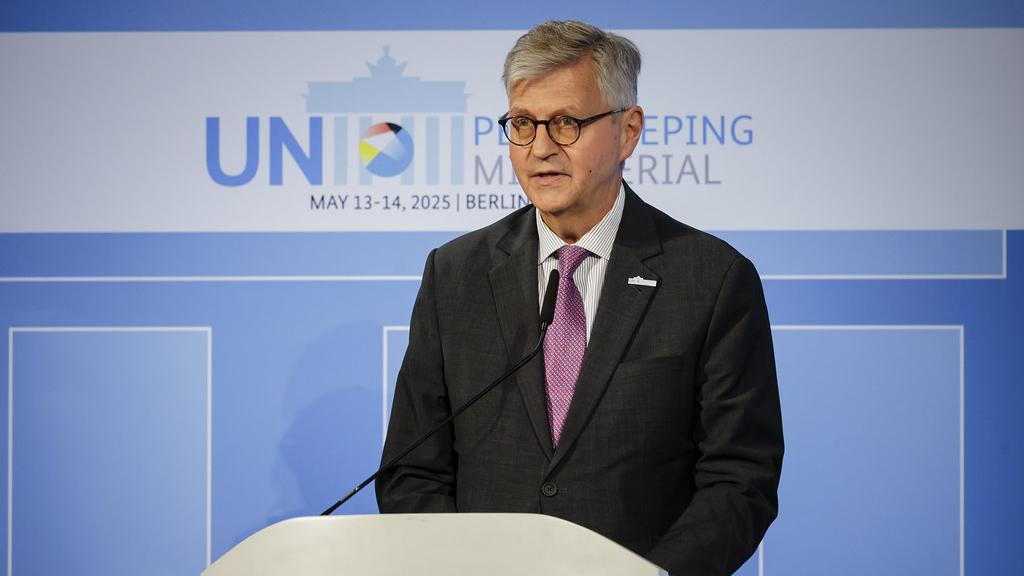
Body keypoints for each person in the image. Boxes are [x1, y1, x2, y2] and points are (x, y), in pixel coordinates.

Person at [376, 20, 783, 576]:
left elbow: (739, 481)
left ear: (628, 130)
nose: (540, 148)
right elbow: (411, 471)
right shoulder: (456, 275)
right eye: (522, 123)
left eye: (566, 122)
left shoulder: (711, 279)